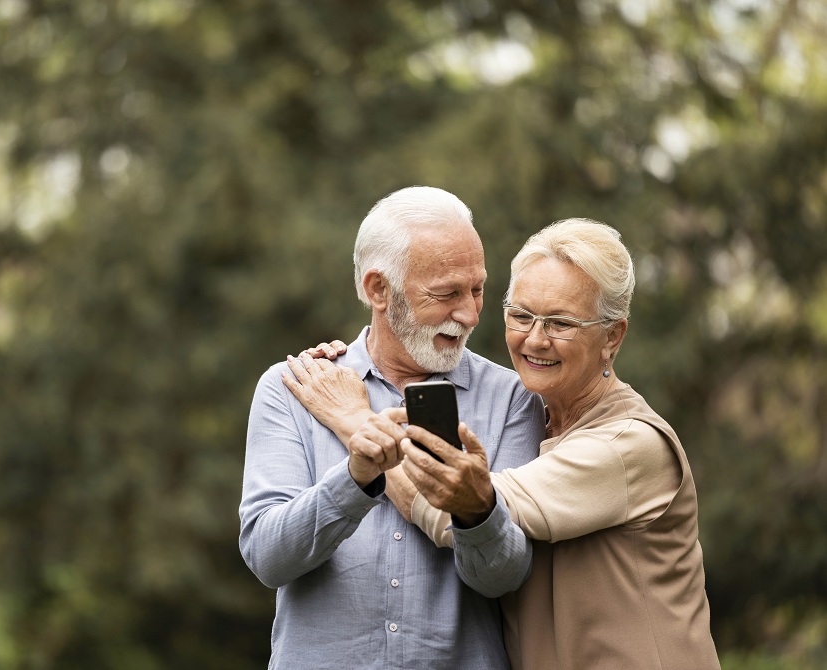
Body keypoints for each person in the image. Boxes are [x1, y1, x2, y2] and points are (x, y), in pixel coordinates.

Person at [291, 218, 721, 669]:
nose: (535, 338)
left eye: (560, 322)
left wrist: (353, 418)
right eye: (520, 315)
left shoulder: (629, 444)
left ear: (612, 336)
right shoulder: (533, 419)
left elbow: (458, 503)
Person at [238, 186, 546, 670]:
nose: (469, 314)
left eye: (478, 289)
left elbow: (506, 578)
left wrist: (476, 511)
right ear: (378, 289)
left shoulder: (513, 399)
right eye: (446, 294)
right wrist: (354, 480)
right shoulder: (293, 387)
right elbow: (267, 558)